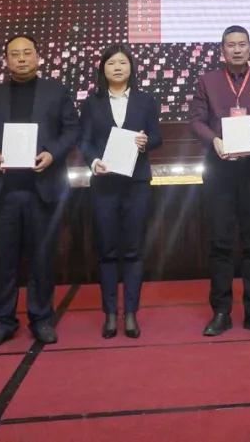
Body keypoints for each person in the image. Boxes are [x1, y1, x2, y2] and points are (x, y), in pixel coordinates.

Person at [0, 35, 81, 348]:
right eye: (14, 54)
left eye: (27, 53)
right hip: (3, 190)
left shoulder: (56, 92)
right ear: (6, 60)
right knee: (4, 260)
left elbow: (72, 129)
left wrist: (52, 153)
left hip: (43, 188)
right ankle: (3, 321)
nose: (21, 59)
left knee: (42, 258)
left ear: (38, 57)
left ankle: (41, 319)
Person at [189, 25, 250, 336]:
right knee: (220, 241)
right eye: (230, 45)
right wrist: (214, 140)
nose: (236, 49)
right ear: (222, 50)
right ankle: (221, 312)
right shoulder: (207, 80)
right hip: (219, 167)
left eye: (241, 44)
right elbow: (196, 121)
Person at [79, 44, 163, 339]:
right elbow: (84, 141)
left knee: (133, 250)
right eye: (111, 63)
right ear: (103, 69)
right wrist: (93, 162)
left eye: (122, 63)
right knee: (107, 251)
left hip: (136, 184)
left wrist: (146, 141)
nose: (117, 67)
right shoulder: (92, 103)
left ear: (131, 68)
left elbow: (157, 137)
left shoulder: (145, 100)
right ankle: (110, 314)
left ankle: (130, 313)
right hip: (104, 186)